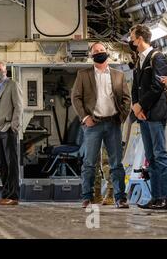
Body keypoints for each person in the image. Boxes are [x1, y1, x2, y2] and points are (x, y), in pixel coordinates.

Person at [71, 42, 131, 209]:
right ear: (91, 55)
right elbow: (76, 98)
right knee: (89, 163)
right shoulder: (83, 74)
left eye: (101, 50)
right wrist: (85, 118)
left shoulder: (119, 75)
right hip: (93, 125)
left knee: (116, 163)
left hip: (113, 123)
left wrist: (122, 117)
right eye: (95, 51)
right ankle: (87, 197)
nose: (99, 53)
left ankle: (120, 198)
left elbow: (126, 99)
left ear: (107, 53)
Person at [130, 24, 167, 210]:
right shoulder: (138, 61)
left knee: (160, 155)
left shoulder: (157, 57)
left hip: (155, 113)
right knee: (151, 157)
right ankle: (155, 197)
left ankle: (166, 197)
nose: (130, 41)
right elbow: (135, 88)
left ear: (139, 38)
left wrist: (140, 105)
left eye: (132, 37)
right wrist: (135, 106)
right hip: (143, 115)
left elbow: (157, 86)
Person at [0, 62, 23, 206]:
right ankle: (5, 195)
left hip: (8, 129)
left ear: (5, 71)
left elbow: (19, 106)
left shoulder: (12, 84)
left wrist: (13, 127)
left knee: (11, 164)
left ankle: (13, 196)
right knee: (2, 165)